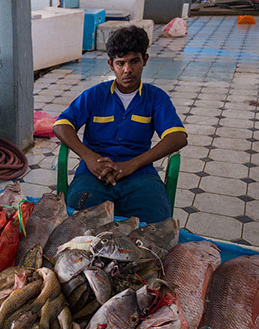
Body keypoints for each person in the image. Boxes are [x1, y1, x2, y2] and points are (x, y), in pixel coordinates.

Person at [53, 26, 188, 223]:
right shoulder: (95, 95)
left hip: (140, 175)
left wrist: (133, 164)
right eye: (120, 63)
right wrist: (90, 158)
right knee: (76, 221)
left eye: (134, 61)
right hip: (94, 174)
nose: (128, 70)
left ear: (145, 60)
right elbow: (61, 125)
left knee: (157, 224)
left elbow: (178, 137)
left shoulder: (156, 97)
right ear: (111, 64)